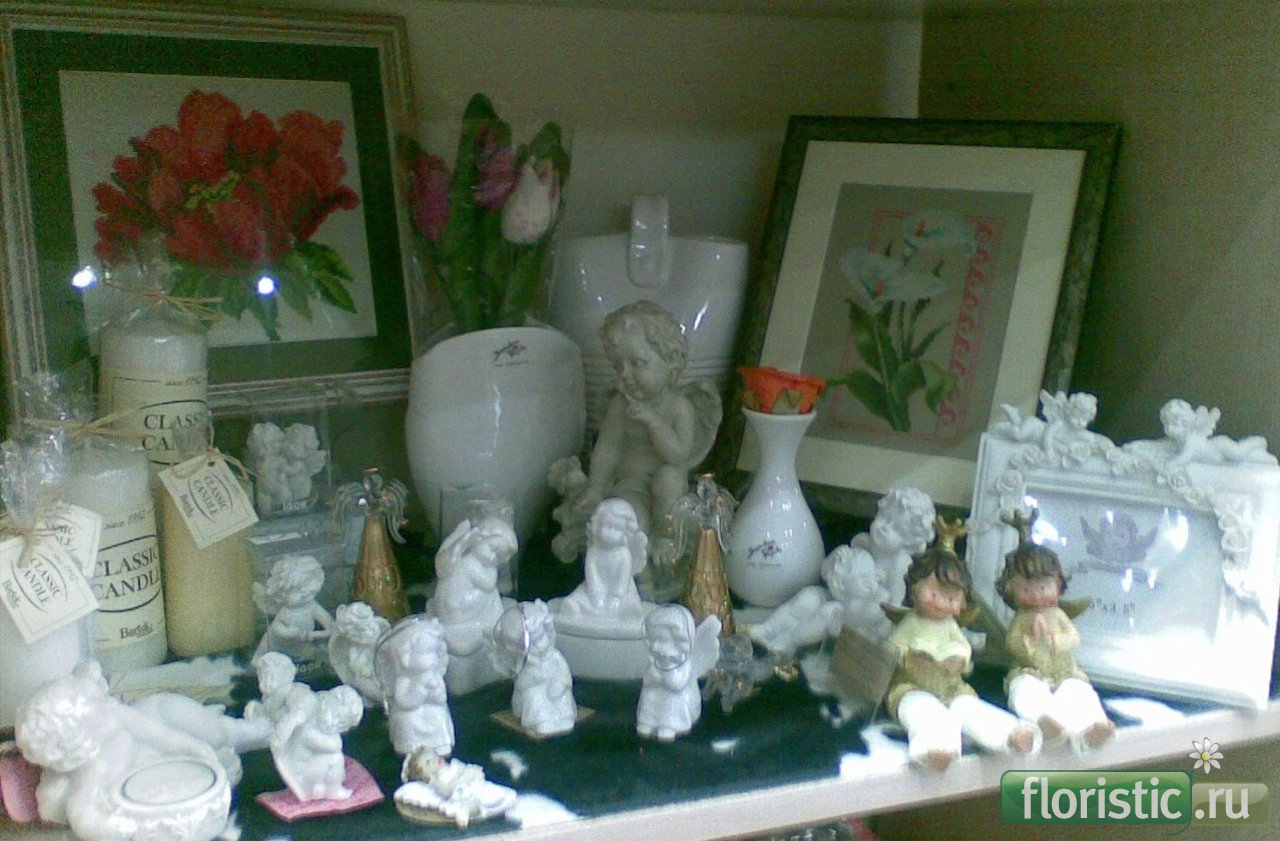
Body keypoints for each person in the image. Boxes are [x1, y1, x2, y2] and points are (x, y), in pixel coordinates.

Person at [551, 301, 722, 558]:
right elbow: (608, 447)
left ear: (670, 362)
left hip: (668, 492)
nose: (626, 374)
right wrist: (595, 487)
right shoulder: (621, 406)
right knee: (630, 527)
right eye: (618, 366)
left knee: (670, 479)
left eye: (637, 363)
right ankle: (631, 559)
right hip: (631, 486)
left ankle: (666, 537)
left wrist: (653, 422)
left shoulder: (679, 408)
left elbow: (678, 456)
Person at [885, 518, 1039, 771]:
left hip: (952, 688)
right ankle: (934, 747)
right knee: (923, 710)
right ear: (913, 590)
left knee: (971, 709)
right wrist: (908, 658)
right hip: (912, 686)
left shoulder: (951, 627)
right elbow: (892, 647)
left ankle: (1010, 734)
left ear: (962, 603)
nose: (940, 603)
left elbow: (963, 648)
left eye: (950, 599)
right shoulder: (911, 623)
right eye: (934, 594)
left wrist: (959, 661)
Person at [996, 509, 1115, 751]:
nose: (1037, 595)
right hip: (1030, 671)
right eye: (1026, 590)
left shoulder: (1058, 615)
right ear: (1011, 591)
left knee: (1078, 692)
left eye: (1043, 587)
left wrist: (1054, 639)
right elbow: (1012, 643)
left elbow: (1074, 638)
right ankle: (1046, 722)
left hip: (1064, 672)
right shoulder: (1021, 619)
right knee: (1025, 691)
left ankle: (1091, 729)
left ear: (1058, 584)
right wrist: (1029, 640)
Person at [636, 604, 720, 742]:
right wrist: (653, 677)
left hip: (676, 697)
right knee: (649, 697)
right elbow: (647, 680)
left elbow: (677, 685)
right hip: (656, 696)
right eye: (653, 640)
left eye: (661, 640)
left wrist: (664, 676)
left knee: (673, 701)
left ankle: (670, 725)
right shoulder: (656, 660)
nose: (655, 646)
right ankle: (648, 721)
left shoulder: (683, 663)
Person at [495, 600, 578, 737]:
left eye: (541, 638)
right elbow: (521, 685)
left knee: (563, 696)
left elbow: (564, 672)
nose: (539, 645)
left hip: (555, 691)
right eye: (533, 643)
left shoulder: (554, 656)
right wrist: (534, 680)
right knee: (535, 696)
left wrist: (560, 683)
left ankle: (565, 718)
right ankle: (541, 722)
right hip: (532, 696)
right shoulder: (524, 664)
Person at [376, 616, 454, 757]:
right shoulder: (404, 679)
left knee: (440, 714)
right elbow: (404, 702)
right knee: (406, 718)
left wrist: (436, 692)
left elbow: (441, 699)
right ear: (405, 656)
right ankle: (410, 744)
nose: (432, 658)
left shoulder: (435, 676)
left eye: (434, 652)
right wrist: (420, 691)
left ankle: (440, 742)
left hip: (432, 712)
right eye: (426, 652)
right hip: (411, 714)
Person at [272, 685, 364, 802]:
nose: (333, 723)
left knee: (338, 769)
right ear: (326, 701)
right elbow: (335, 746)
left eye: (340, 724)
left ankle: (321, 786)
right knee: (335, 759)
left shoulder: (318, 724)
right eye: (334, 715)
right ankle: (332, 790)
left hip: (311, 770)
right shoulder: (307, 731)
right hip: (302, 773)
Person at [559, 498, 649, 618]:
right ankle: (574, 607)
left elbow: (622, 579)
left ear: (625, 533)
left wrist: (615, 597)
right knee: (579, 597)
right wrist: (596, 595)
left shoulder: (624, 555)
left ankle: (628, 611)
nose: (610, 533)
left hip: (620, 591)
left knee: (628, 601)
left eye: (617, 529)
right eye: (606, 526)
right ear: (597, 525)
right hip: (594, 589)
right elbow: (592, 575)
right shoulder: (594, 551)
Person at [253, 554, 334, 664]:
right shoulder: (286, 611)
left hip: (301, 648)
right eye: (296, 591)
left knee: (316, 656)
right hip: (278, 645)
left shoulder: (312, 606)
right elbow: (276, 629)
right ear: (282, 593)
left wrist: (313, 634)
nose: (304, 596)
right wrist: (292, 634)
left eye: (310, 592)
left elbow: (330, 627)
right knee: (267, 647)